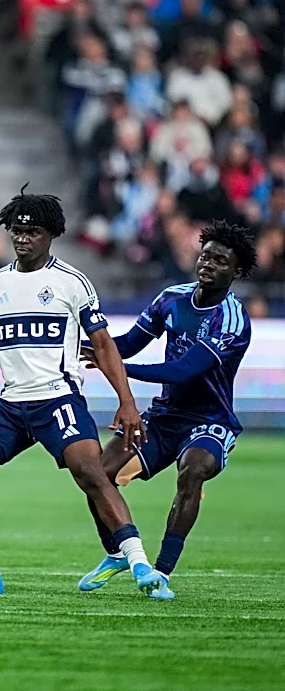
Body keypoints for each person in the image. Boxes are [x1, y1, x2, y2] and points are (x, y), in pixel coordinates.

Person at [0, 187, 165, 598]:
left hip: (58, 398)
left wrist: (127, 401)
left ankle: (139, 564)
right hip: (12, 404)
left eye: (33, 232)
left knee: (92, 474)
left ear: (51, 235)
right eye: (17, 231)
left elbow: (104, 344)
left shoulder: (71, 283)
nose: (23, 238)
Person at [78, 220, 256, 600]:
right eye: (205, 256)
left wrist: (117, 368)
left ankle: (161, 571)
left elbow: (183, 370)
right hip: (165, 417)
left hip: (210, 421)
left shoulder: (232, 318)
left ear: (236, 272)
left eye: (220, 261)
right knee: (94, 473)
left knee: (192, 471)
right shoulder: (171, 298)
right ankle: (116, 553)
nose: (208, 264)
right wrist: (85, 342)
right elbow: (126, 344)